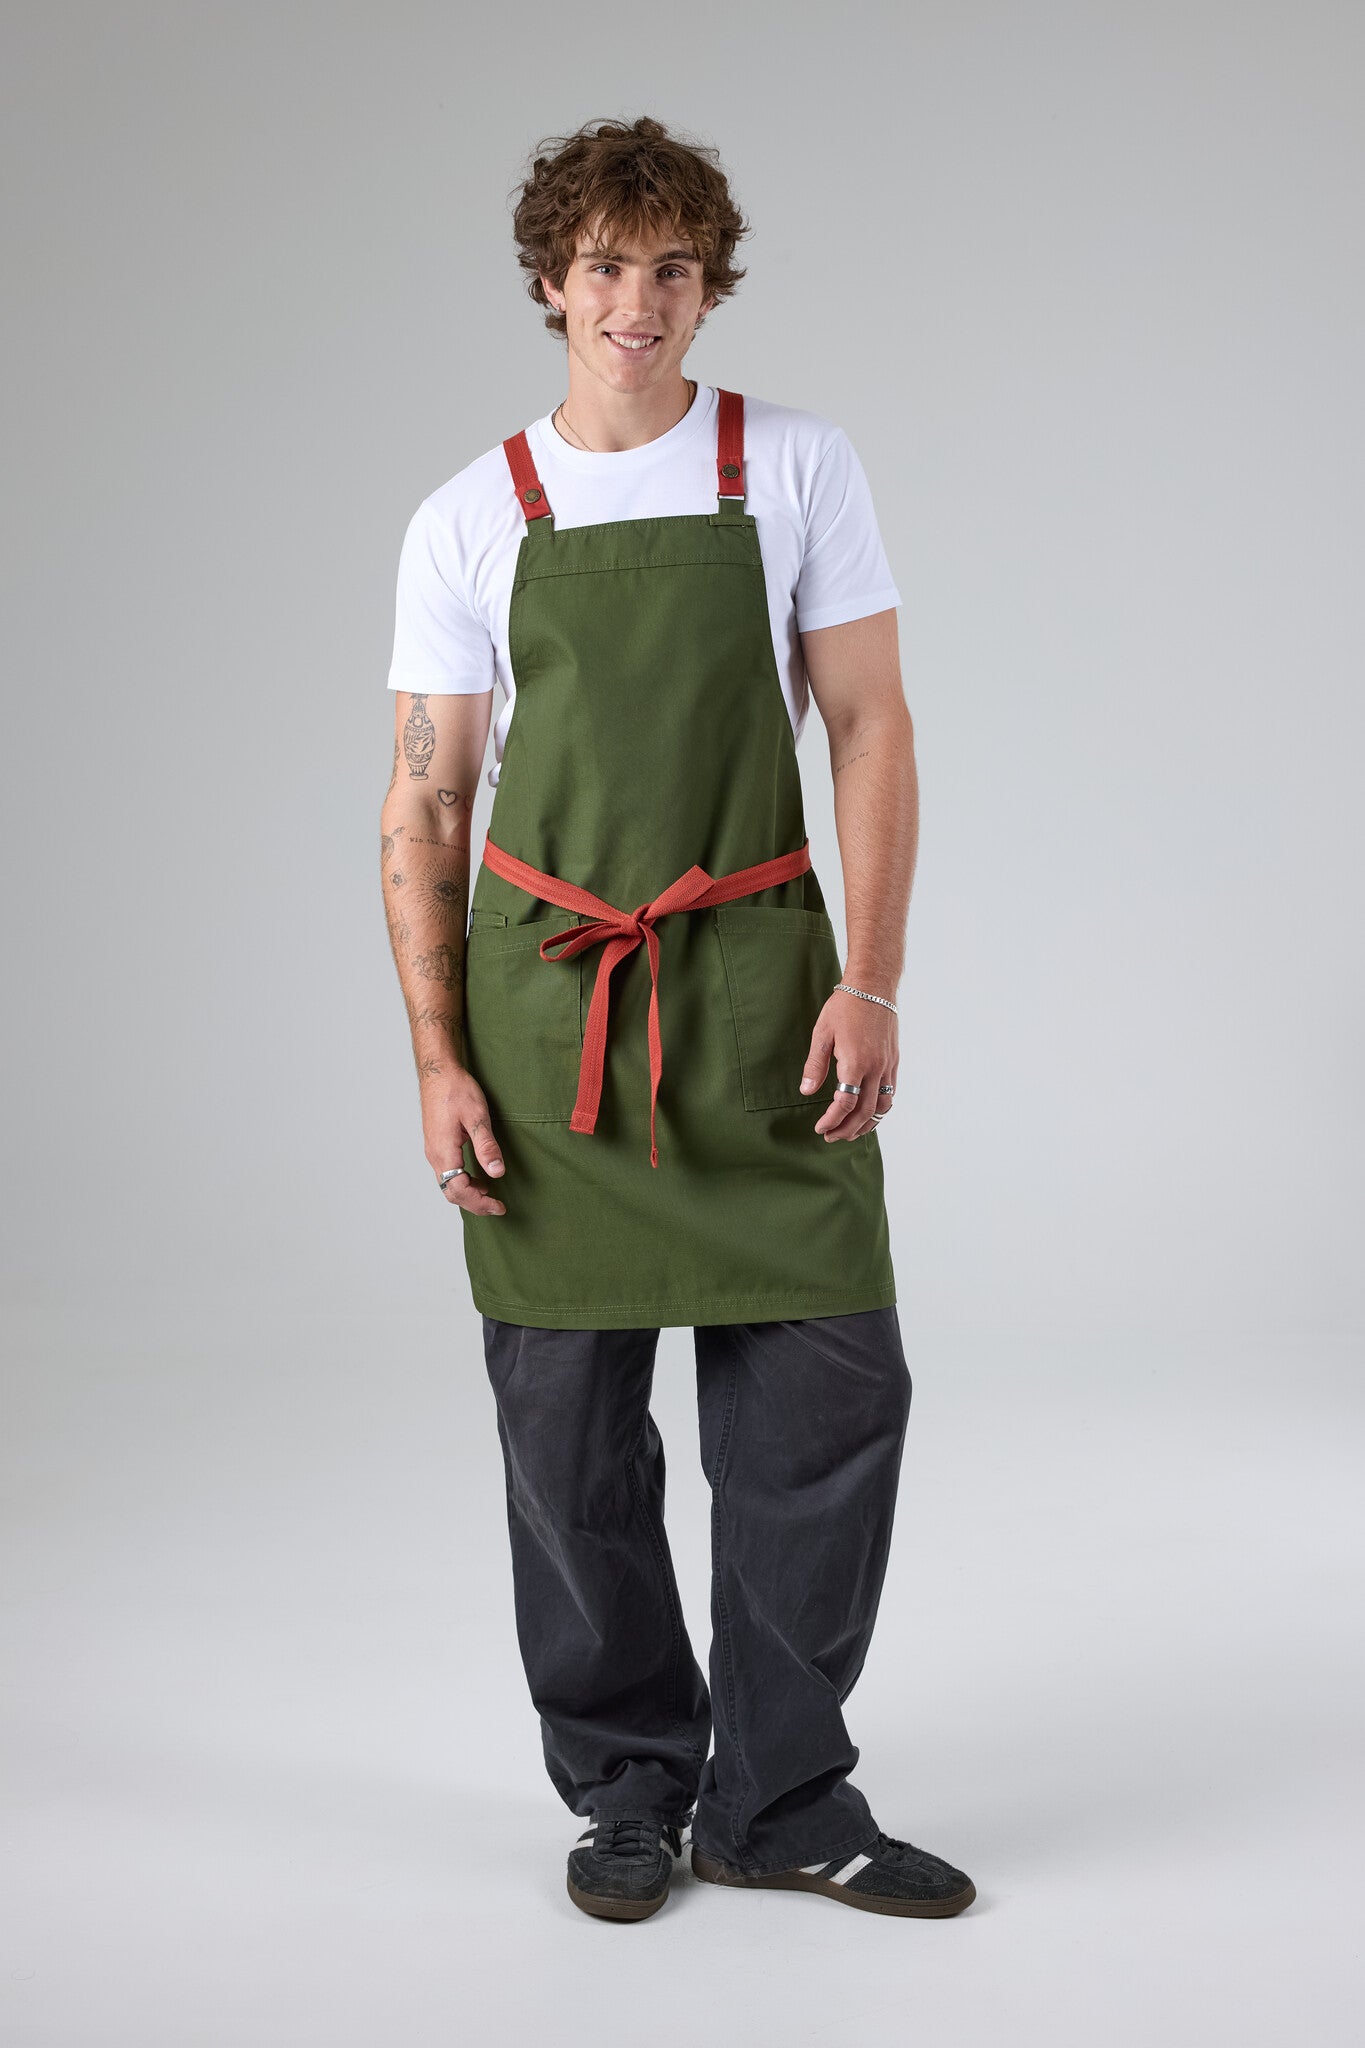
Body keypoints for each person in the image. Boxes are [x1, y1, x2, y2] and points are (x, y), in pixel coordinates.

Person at [379, 115, 975, 1923]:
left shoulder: (790, 464)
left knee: (828, 1402)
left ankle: (779, 1798)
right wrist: (436, 1057)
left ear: (708, 287)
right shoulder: (470, 513)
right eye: (603, 268)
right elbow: (425, 801)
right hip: (547, 1015)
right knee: (566, 1441)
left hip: (758, 991)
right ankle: (628, 1785)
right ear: (548, 283)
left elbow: (867, 724)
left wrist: (869, 976)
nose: (635, 302)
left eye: (670, 269)